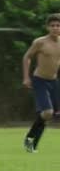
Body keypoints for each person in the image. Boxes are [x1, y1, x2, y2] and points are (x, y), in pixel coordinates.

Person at [22, 13, 60, 153]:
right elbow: (27, 56)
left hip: (54, 81)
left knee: (48, 115)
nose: (55, 28)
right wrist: (26, 77)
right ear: (47, 27)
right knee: (48, 112)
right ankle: (31, 142)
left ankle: (29, 140)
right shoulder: (40, 42)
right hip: (40, 80)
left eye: (58, 25)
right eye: (52, 25)